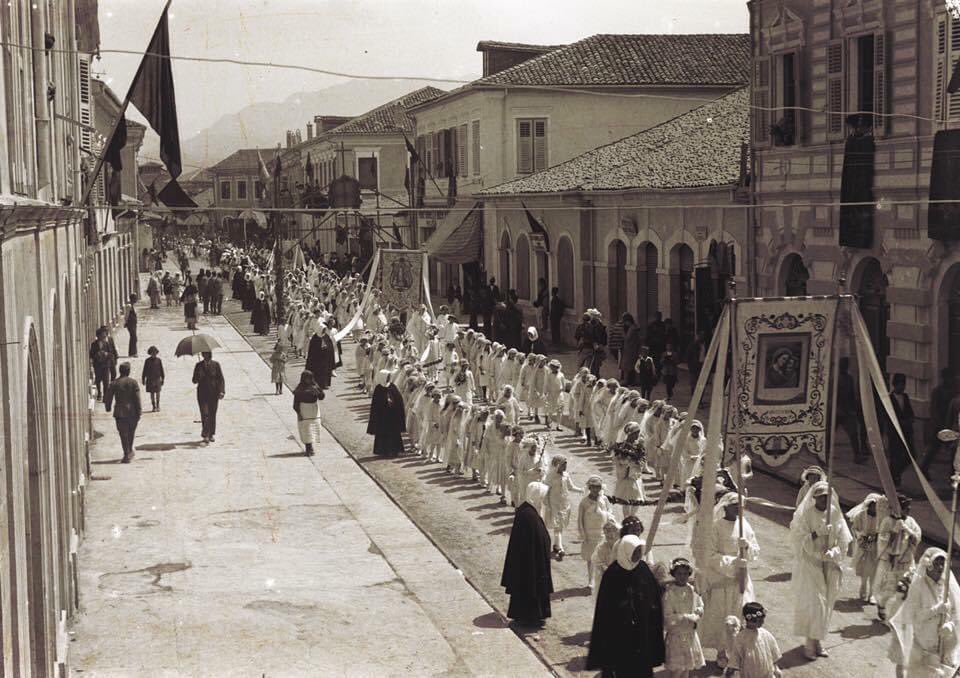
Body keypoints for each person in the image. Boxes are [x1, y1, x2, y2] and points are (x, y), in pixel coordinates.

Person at [586, 533, 666, 677]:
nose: (637, 554)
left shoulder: (643, 570)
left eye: (639, 551)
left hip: (641, 632)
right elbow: (605, 609)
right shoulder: (612, 573)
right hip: (619, 634)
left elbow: (653, 598)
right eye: (634, 551)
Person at [789, 480, 852, 660]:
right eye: (821, 497)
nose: (824, 500)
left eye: (827, 497)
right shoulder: (806, 515)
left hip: (830, 565)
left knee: (827, 605)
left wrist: (835, 551)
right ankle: (810, 641)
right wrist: (817, 533)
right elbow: (798, 539)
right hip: (811, 565)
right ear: (814, 497)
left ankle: (818, 640)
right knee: (816, 604)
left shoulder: (835, 514)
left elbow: (843, 539)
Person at [700, 492, 760, 668]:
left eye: (741, 506)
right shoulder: (716, 527)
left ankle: (738, 652)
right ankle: (721, 652)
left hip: (741, 578)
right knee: (722, 615)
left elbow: (756, 549)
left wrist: (747, 548)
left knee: (741, 613)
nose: (739, 509)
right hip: (722, 578)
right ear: (725, 506)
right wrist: (733, 562)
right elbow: (709, 555)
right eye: (735, 505)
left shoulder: (745, 526)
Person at [889, 546, 960, 676]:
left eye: (942, 564)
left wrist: (950, 625)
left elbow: (957, 612)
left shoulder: (947, 586)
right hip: (922, 644)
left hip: (942, 644)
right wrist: (936, 609)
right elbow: (915, 616)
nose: (940, 568)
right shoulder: (918, 586)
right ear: (928, 565)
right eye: (936, 563)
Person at [500, 481, 554, 627]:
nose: (544, 499)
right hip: (529, 563)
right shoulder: (528, 515)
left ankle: (532, 615)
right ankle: (530, 616)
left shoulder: (529, 511)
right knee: (530, 589)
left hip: (531, 561)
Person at [663, 557, 705, 677]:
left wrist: (698, 611)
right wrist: (686, 617)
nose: (683, 576)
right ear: (674, 574)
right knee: (677, 669)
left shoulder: (692, 590)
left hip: (689, 634)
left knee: (687, 667)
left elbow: (700, 604)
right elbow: (668, 616)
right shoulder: (670, 593)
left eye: (685, 574)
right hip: (677, 635)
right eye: (679, 574)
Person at [725, 602, 783, 678]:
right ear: (750, 620)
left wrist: (776, 668)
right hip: (749, 672)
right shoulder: (741, 638)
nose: (763, 622)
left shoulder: (765, 634)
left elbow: (773, 651)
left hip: (767, 672)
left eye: (762, 620)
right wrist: (731, 671)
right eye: (759, 620)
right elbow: (735, 656)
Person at [846, 492, 885, 603]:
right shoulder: (861, 515)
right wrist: (862, 536)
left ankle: (872, 594)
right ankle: (863, 588)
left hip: (876, 548)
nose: (874, 508)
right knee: (864, 571)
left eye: (876, 505)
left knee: (874, 572)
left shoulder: (881, 518)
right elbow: (855, 529)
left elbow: (884, 531)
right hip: (863, 547)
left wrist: (878, 537)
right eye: (872, 505)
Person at [543, 454, 582, 560]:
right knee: (557, 526)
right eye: (563, 464)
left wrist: (581, 490)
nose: (565, 466)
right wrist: (547, 504)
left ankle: (556, 545)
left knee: (560, 526)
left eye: (566, 464)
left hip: (564, 503)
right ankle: (560, 548)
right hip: (553, 503)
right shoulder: (550, 476)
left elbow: (571, 487)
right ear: (557, 465)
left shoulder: (566, 475)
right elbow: (545, 490)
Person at [578, 475, 612, 589]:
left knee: (604, 557)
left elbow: (610, 512)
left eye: (598, 487)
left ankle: (604, 580)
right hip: (589, 534)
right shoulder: (584, 502)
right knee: (591, 558)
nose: (595, 490)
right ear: (589, 488)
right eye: (593, 487)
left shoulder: (604, 500)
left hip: (602, 533)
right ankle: (591, 580)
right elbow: (580, 519)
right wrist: (583, 534)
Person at [103, 362, 142, 463]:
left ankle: (126, 453)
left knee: (123, 433)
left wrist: (108, 407)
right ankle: (129, 451)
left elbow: (108, 396)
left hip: (119, 412)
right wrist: (139, 411)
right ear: (128, 371)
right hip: (132, 412)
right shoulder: (133, 382)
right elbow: (137, 398)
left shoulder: (115, 383)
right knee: (131, 432)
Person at [923, 369, 956, 474]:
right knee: (934, 448)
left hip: (951, 424)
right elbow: (934, 409)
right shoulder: (938, 391)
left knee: (953, 451)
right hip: (940, 425)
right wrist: (939, 425)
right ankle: (924, 467)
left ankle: (953, 472)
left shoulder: (954, 390)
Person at [836, 357, 868, 464]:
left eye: (846, 365)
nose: (844, 367)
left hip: (848, 411)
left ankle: (857, 455)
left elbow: (852, 395)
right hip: (837, 411)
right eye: (843, 365)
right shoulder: (835, 379)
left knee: (854, 434)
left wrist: (854, 408)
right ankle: (823, 453)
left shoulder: (849, 379)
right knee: (828, 433)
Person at [368, 369, 406, 457]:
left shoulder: (392, 386)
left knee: (394, 434)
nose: (389, 378)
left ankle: (395, 450)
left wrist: (394, 403)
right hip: (382, 418)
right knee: (383, 435)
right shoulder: (378, 388)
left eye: (389, 376)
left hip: (392, 416)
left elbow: (399, 399)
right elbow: (376, 404)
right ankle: (384, 451)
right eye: (387, 377)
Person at [888, 373, 915, 487]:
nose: (902, 387)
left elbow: (910, 412)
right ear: (895, 385)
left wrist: (909, 420)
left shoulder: (905, 397)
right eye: (900, 384)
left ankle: (896, 473)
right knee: (895, 456)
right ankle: (893, 477)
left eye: (903, 384)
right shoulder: (889, 399)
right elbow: (888, 416)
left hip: (906, 432)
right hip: (894, 432)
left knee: (911, 455)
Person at [192, 350, 225, 444]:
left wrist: (222, 391)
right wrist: (199, 376)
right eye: (204, 354)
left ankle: (211, 434)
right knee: (205, 413)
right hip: (202, 393)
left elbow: (221, 379)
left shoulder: (216, 365)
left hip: (214, 393)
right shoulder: (198, 366)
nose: (205, 356)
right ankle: (205, 434)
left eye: (207, 354)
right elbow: (194, 380)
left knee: (212, 414)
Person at [293, 370, 324, 456]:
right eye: (307, 379)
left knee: (313, 429)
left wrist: (318, 393)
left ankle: (311, 448)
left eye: (310, 378)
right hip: (304, 410)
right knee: (306, 430)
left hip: (313, 410)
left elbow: (322, 397)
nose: (309, 380)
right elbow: (296, 403)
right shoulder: (299, 389)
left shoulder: (315, 386)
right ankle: (308, 448)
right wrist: (299, 413)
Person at [306, 325, 337, 390]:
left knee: (325, 372)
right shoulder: (315, 338)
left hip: (326, 359)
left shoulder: (326, 336)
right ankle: (317, 384)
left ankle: (325, 384)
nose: (324, 331)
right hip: (317, 359)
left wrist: (328, 349)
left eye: (324, 329)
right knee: (318, 372)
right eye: (323, 329)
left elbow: (330, 346)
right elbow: (312, 349)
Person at [89, 327, 116, 400]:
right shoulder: (94, 344)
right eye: (102, 335)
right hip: (97, 366)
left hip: (106, 365)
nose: (104, 337)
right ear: (98, 336)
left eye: (105, 335)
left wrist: (106, 354)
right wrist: (97, 355)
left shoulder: (107, 344)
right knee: (98, 380)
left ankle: (105, 396)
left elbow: (112, 353)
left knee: (106, 381)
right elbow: (91, 355)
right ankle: (99, 393)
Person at [141, 346, 165, 412]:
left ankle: (158, 405)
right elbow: (144, 370)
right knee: (152, 393)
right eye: (152, 353)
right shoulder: (147, 361)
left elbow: (161, 369)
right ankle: (153, 406)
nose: (154, 354)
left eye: (155, 353)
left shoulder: (159, 360)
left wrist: (163, 378)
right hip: (150, 379)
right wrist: (143, 379)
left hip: (157, 379)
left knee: (158, 393)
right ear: (150, 353)